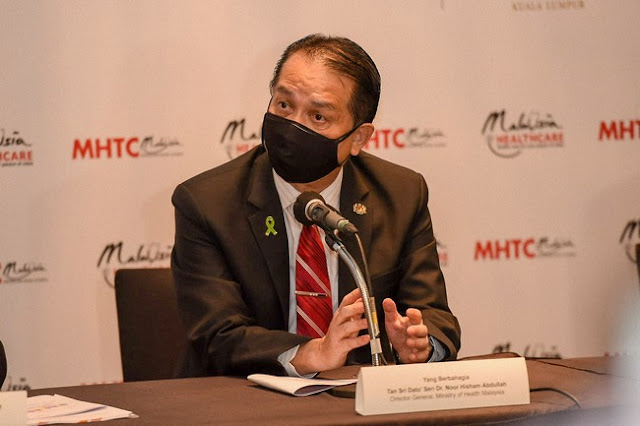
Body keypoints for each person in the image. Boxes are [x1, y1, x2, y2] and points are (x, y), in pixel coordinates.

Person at [171, 34, 461, 377]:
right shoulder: (207, 203)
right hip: (244, 394)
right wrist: (312, 353)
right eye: (284, 105)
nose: (293, 125)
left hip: (356, 394)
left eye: (318, 116)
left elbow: (432, 314)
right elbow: (218, 337)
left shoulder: (401, 194)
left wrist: (420, 345)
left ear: (358, 138)